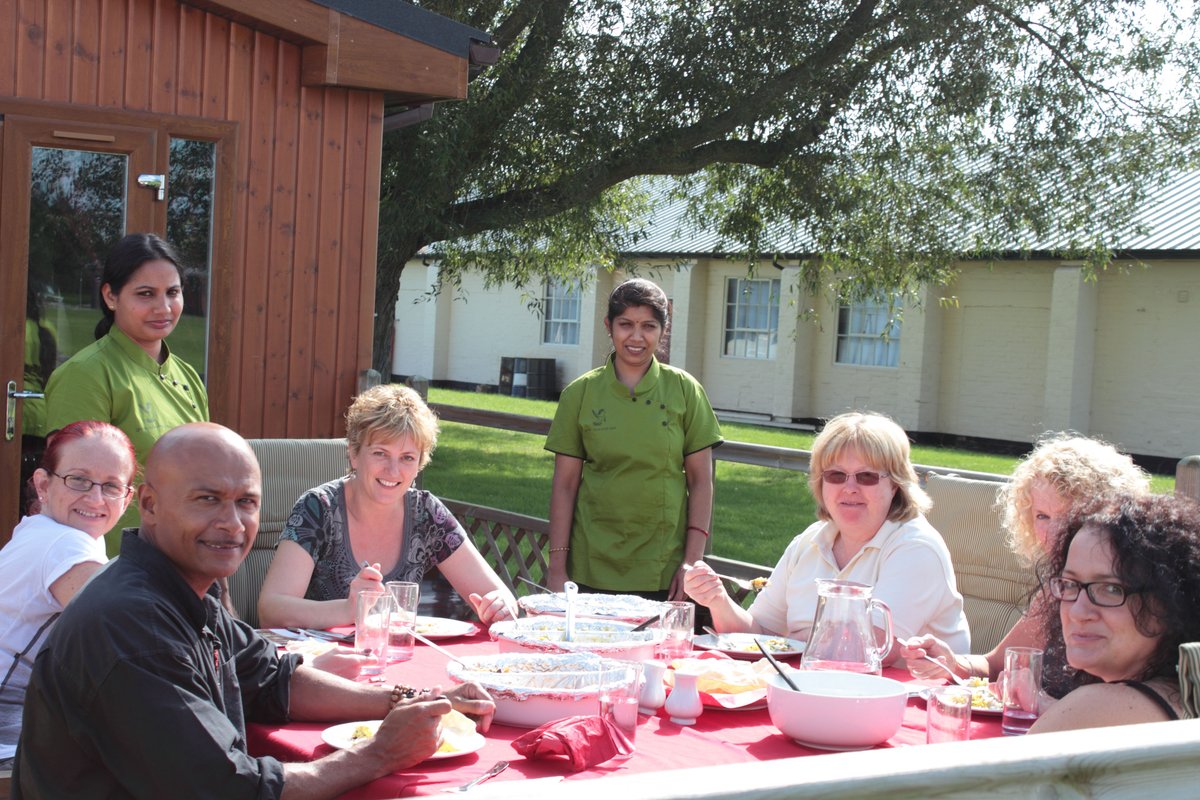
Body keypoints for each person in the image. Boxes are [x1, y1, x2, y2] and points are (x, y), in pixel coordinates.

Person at [13, 423, 495, 799]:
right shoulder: (131, 624)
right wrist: (381, 753)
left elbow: (273, 678)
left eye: (246, 503)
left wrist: (415, 700)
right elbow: (230, 789)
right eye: (207, 500)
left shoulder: (181, 590)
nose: (231, 523)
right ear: (150, 504)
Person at [685, 411, 970, 655]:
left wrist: (793, 643)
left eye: (866, 476)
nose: (850, 488)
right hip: (817, 688)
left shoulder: (915, 548)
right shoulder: (810, 541)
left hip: (905, 704)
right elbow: (758, 634)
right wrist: (718, 601)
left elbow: (874, 651)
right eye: (836, 475)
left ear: (895, 485)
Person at [257, 384, 517, 628]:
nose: (393, 471)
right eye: (380, 453)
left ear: (420, 464)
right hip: (323, 663)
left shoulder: (427, 513)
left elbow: (497, 594)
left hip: (399, 661)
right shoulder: (318, 508)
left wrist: (499, 606)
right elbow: (271, 610)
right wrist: (349, 610)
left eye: (407, 458)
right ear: (354, 454)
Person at [901, 434, 1150, 680]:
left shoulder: (1133, 595)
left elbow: (1135, 696)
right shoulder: (1056, 590)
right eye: (1042, 516)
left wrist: (1043, 705)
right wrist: (952, 662)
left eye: (1069, 516)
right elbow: (995, 666)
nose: (1054, 532)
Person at [545, 278, 723, 601]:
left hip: (663, 568)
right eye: (625, 324)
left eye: (649, 326)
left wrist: (691, 563)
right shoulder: (579, 394)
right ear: (608, 326)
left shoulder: (685, 391)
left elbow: (701, 482)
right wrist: (557, 567)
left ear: (663, 329)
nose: (636, 337)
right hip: (590, 566)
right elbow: (565, 485)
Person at [43, 232, 209, 557]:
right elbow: (70, 492)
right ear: (110, 296)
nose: (163, 307)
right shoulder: (86, 374)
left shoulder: (188, 376)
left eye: (172, 293)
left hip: (185, 558)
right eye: (146, 294)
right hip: (115, 567)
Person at [0, 421, 136, 769]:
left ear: (128, 498)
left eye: (111, 486)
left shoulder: (47, 531)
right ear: (43, 484)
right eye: (78, 480)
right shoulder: (64, 544)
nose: (95, 498)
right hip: (10, 740)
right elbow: (125, 643)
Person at [1028, 493, 1200, 731]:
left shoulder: (1092, 711)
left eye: (1111, 589)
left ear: (1170, 603)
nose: (1078, 612)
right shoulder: (1186, 698)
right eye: (1069, 584)